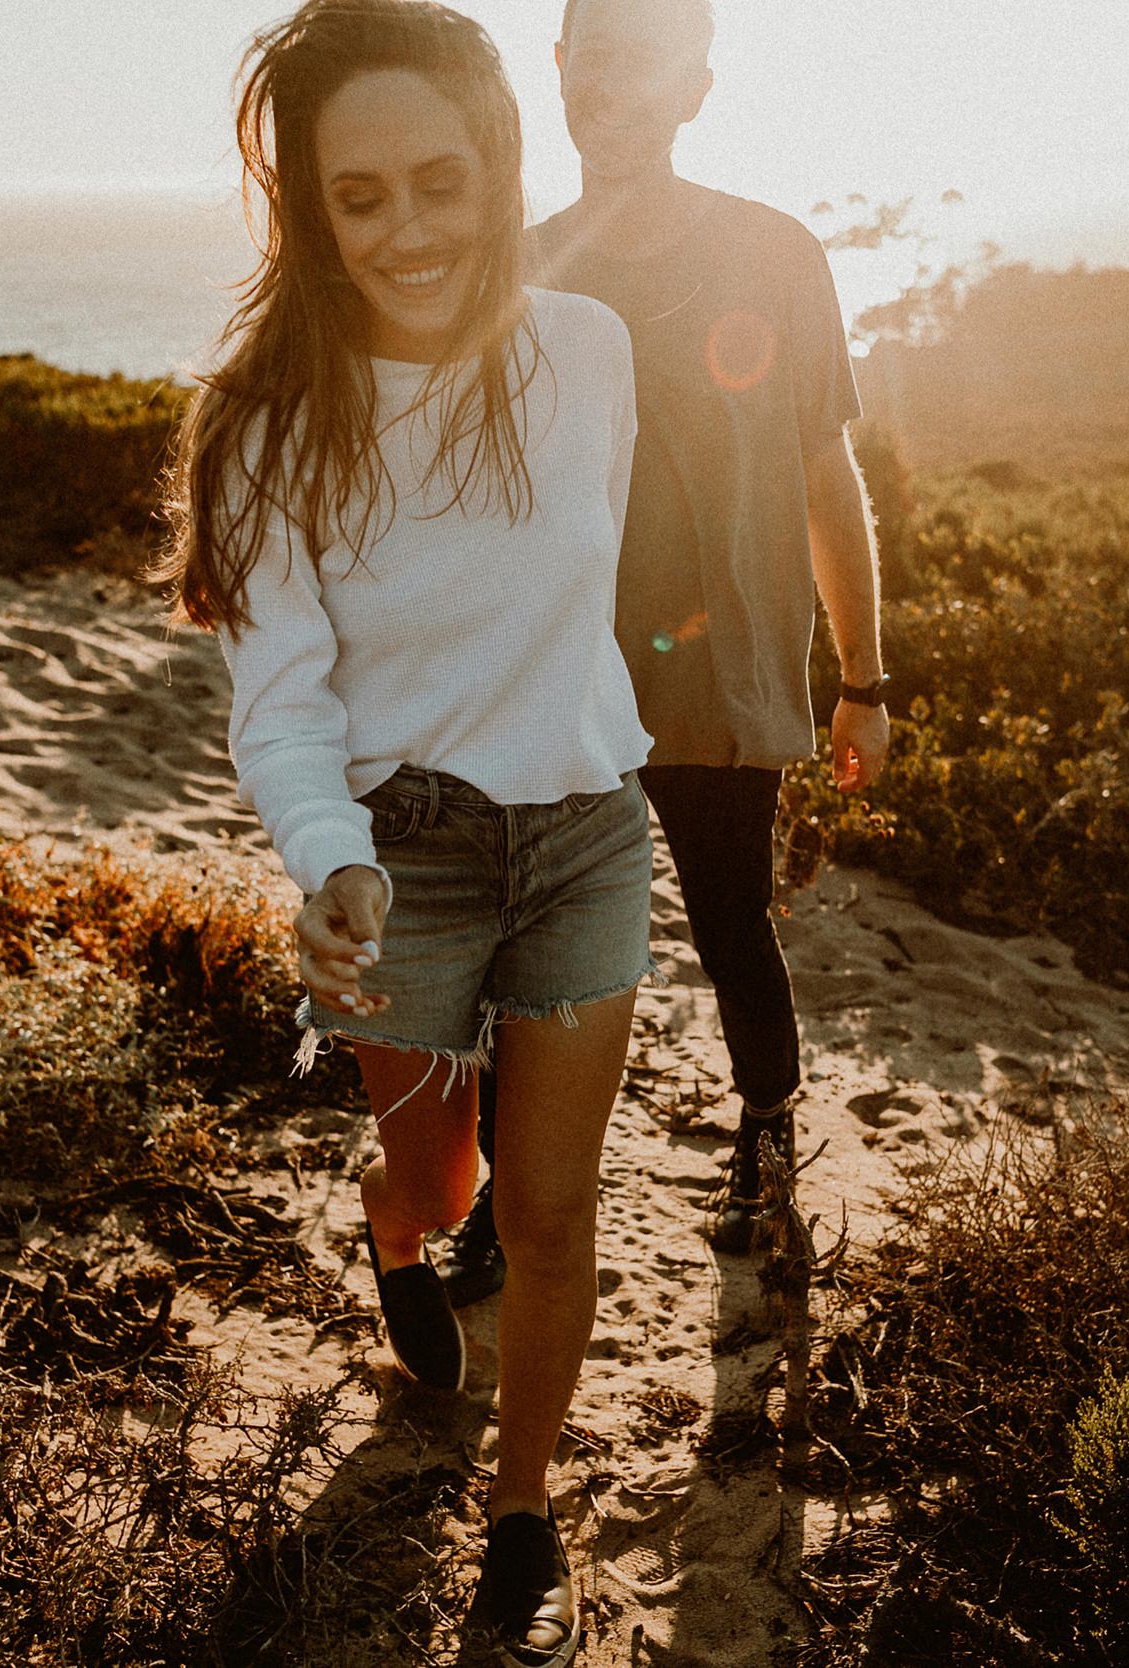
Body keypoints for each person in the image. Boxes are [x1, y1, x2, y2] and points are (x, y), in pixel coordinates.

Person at [158, 4, 651, 1661]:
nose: (406, 229)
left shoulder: (590, 353)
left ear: (503, 168)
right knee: (441, 1186)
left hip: (586, 835)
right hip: (401, 862)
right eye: (357, 197)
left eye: (438, 181)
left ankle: (522, 1514)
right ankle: (387, 1232)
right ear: (308, 207)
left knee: (553, 1216)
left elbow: (578, 599)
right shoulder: (269, 425)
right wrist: (334, 857)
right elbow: (281, 705)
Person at [437, 0, 887, 1304]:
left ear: (695, 87)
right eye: (592, 62)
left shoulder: (773, 252)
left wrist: (864, 679)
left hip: (720, 673)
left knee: (730, 920)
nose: (613, 89)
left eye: (644, 64)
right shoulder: (512, 266)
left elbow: (826, 470)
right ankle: (505, 1207)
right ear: (560, 77)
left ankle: (765, 1139)